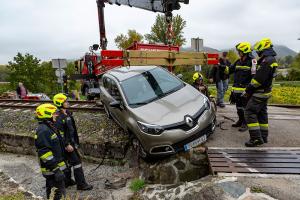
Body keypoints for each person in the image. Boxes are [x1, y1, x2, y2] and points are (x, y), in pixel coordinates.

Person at [53, 93, 93, 190]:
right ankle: (81, 184)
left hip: (71, 142)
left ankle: (67, 181)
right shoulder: (58, 117)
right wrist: (67, 145)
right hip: (66, 145)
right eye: (65, 101)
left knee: (67, 162)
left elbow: (72, 129)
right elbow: (59, 133)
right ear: (60, 103)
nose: (68, 102)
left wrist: (75, 142)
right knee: (77, 162)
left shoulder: (68, 113)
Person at [243, 38, 278, 147]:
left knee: (249, 112)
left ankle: (256, 139)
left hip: (260, 92)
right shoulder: (271, 59)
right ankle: (263, 136)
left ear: (263, 50)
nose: (258, 54)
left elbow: (258, 80)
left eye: (259, 52)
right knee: (262, 114)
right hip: (266, 92)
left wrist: (248, 89)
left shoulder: (266, 61)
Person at [34, 103, 66, 200]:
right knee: (57, 194)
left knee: (57, 191)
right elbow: (44, 154)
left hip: (55, 169)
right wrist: (56, 170)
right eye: (54, 113)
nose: (56, 115)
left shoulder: (49, 127)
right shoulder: (43, 130)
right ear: (47, 115)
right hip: (52, 170)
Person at [229, 42, 256, 132]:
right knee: (239, 108)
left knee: (246, 108)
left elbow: (254, 77)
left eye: (239, 51)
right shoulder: (238, 60)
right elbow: (230, 70)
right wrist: (219, 66)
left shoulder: (252, 61)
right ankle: (240, 120)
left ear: (244, 51)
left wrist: (249, 90)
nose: (238, 53)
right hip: (236, 90)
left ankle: (245, 123)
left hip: (246, 91)